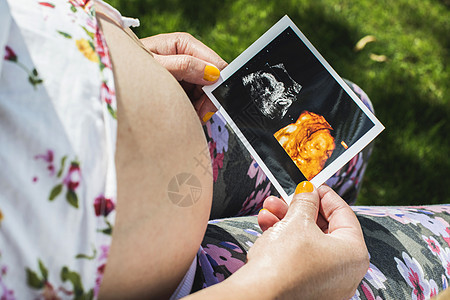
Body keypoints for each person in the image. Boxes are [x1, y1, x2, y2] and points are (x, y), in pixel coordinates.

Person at [0, 1, 449, 299]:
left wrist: (102, 60)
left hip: (179, 125)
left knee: (351, 121)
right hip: (204, 284)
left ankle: (321, 227)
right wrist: (275, 285)